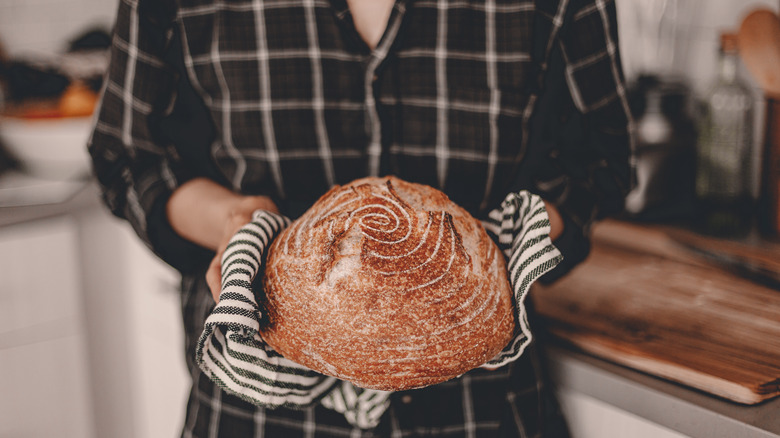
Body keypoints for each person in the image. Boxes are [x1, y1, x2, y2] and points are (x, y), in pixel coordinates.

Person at [88, 0, 633, 436]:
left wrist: (496, 256)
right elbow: (129, 157)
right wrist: (236, 222)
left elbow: (601, 163)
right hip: (256, 419)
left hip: (485, 412)